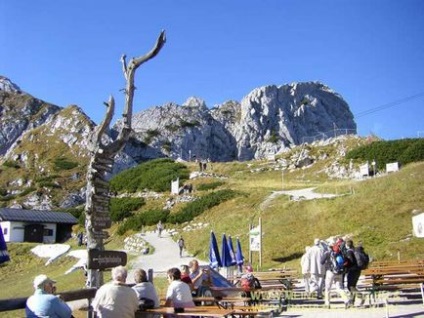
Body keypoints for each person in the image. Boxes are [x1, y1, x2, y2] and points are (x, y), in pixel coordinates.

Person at [321, 239, 350, 309]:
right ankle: (346, 301)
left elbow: (321, 262)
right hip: (339, 272)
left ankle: (327, 304)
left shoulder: (327, 253)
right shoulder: (340, 252)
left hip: (330, 272)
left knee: (328, 288)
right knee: (339, 288)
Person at [345, 239, 360, 305]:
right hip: (358, 270)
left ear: (347, 245)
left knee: (350, 286)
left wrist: (345, 265)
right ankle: (351, 301)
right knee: (353, 285)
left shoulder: (349, 251)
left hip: (352, 270)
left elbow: (350, 261)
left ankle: (361, 295)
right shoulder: (356, 250)